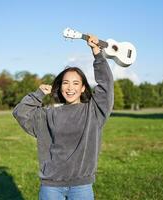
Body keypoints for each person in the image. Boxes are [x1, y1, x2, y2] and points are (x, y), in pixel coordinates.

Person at [13, 35, 114, 200]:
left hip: (82, 186)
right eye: (65, 83)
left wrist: (98, 55)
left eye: (75, 83)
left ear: (82, 88)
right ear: (60, 87)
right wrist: (37, 95)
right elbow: (20, 112)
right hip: (51, 186)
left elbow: (106, 86)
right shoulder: (49, 114)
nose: (70, 88)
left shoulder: (93, 112)